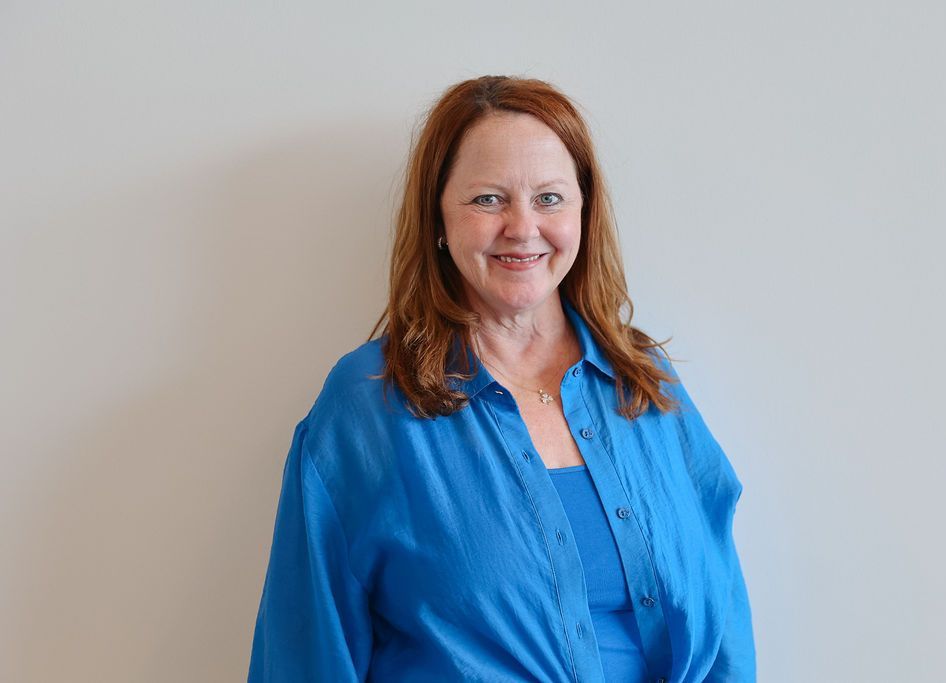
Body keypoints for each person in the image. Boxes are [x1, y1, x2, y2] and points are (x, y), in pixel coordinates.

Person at [247, 75, 756, 683]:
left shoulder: (646, 384)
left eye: (549, 198)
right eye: (487, 199)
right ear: (438, 217)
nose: (522, 226)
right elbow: (307, 652)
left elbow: (724, 621)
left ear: (584, 215)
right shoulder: (369, 405)